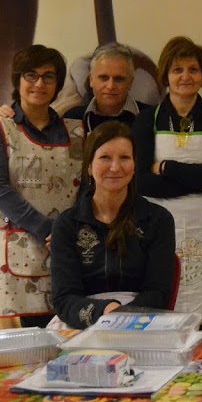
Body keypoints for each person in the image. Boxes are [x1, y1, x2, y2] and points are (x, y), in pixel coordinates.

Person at [0, 45, 84, 329]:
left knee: (64, 329)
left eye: (48, 76)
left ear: (58, 84)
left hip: (64, 246)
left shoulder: (76, 131)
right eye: (31, 75)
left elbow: (85, 187)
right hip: (17, 246)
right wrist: (48, 230)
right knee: (23, 336)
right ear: (18, 79)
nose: (39, 84)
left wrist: (66, 231)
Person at [133, 36, 202, 326]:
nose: (185, 77)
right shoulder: (146, 120)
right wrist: (200, 179)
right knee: (165, 295)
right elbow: (142, 182)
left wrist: (166, 167)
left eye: (193, 69)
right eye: (177, 70)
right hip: (161, 220)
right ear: (165, 75)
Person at [50, 122, 176, 329]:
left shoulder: (158, 219)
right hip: (83, 320)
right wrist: (105, 312)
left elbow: (158, 292)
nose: (115, 167)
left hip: (142, 320)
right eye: (105, 158)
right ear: (89, 166)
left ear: (134, 165)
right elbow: (64, 298)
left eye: (124, 157)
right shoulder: (67, 224)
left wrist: (121, 317)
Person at [63, 42, 150, 132]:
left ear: (130, 83)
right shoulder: (73, 118)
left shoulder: (151, 117)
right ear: (91, 80)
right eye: (103, 78)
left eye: (119, 79)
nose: (110, 86)